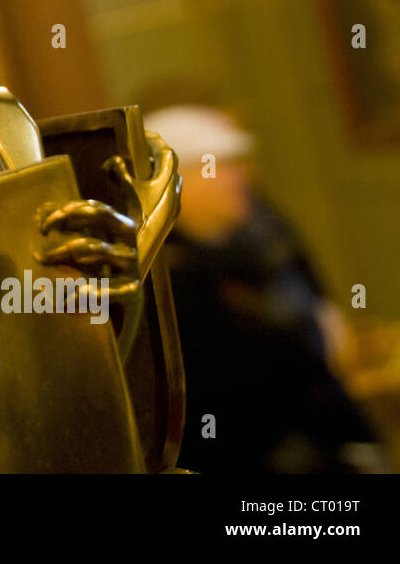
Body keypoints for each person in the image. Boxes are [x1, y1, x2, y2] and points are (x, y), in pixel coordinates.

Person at [144, 104, 381, 473]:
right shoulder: (167, 280)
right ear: (176, 182)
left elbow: (320, 312)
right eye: (218, 167)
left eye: (237, 164)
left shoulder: (265, 236)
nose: (238, 177)